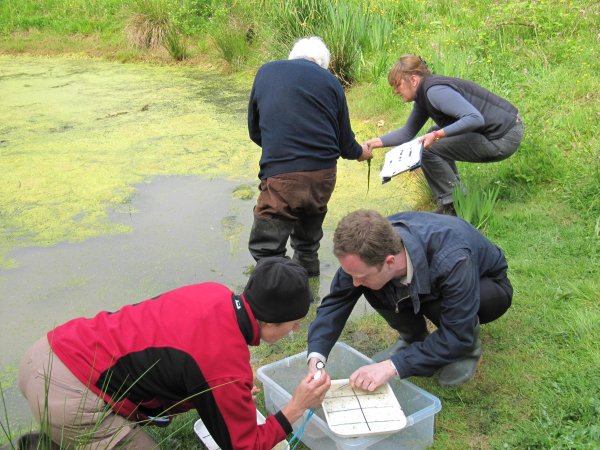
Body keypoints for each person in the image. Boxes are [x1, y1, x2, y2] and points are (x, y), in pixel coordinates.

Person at [16, 257, 331, 450]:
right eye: (293, 325)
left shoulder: (214, 292)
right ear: (271, 321)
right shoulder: (224, 364)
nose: (293, 331)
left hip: (49, 350)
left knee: (79, 432)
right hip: (71, 392)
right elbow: (243, 445)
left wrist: (226, 392)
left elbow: (174, 357)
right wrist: (295, 408)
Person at [307, 209, 513, 388]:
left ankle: (467, 350)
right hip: (424, 276)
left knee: (439, 307)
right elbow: (335, 304)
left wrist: (393, 366)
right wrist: (316, 359)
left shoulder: (453, 258)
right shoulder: (364, 252)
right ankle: (413, 338)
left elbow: (456, 335)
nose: (353, 282)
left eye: (359, 276)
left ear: (389, 262)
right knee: (370, 284)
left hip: (488, 285)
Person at [247, 36, 372, 277]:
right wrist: (361, 153)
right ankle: (309, 294)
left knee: (267, 249)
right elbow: (345, 142)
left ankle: (281, 299)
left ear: (293, 55)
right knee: (306, 246)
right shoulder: (331, 82)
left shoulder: (266, 72)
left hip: (283, 177)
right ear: (322, 63)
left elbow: (255, 130)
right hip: (323, 176)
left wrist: (279, 149)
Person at [364, 55, 523, 215]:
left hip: (503, 137)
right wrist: (375, 143)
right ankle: (454, 198)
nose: (395, 91)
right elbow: (407, 132)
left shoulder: (435, 91)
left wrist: (437, 134)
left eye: (398, 85)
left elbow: (474, 118)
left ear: (413, 80)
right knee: (430, 135)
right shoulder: (423, 94)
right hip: (501, 131)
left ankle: (455, 205)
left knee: (426, 147)